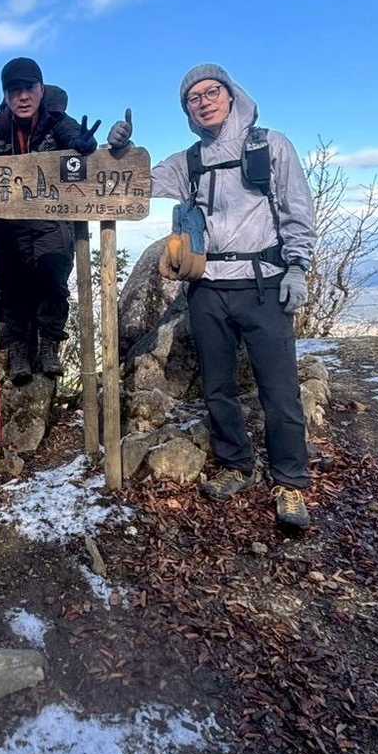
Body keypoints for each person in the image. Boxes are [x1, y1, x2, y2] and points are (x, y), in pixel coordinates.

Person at [108, 65, 315, 530]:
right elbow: (138, 184)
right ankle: (236, 465)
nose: (204, 102)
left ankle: (290, 483)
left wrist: (298, 267)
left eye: (211, 92)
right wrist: (120, 153)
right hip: (207, 288)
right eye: (194, 98)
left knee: (280, 389)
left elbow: (297, 209)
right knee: (217, 387)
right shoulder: (189, 161)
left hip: (264, 282)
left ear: (231, 94)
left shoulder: (270, 146)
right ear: (187, 110)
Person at [0, 57, 99, 383]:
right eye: (14, 90)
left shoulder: (57, 121)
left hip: (51, 220)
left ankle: (48, 344)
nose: (23, 96)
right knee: (12, 285)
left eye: (29, 88)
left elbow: (75, 137)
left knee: (53, 279)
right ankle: (18, 348)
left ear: (41, 90)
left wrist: (83, 144)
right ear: (5, 95)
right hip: (8, 224)